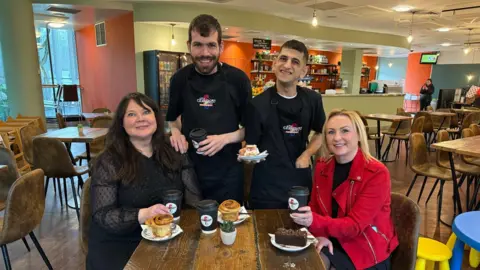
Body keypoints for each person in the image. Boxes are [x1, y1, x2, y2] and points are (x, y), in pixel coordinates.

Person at [87, 93, 202, 270]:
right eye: (131, 114)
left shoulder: (173, 149)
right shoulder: (109, 160)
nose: (140, 119)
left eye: (146, 112)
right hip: (120, 243)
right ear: (121, 123)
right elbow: (103, 215)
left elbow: (193, 197)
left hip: (166, 235)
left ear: (156, 117)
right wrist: (143, 214)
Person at [291, 110, 398, 270]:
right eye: (331, 132)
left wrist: (314, 221)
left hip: (365, 251)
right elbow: (315, 207)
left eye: (345, 131)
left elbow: (355, 226)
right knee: (300, 261)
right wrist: (320, 235)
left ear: (359, 135)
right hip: (332, 240)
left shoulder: (377, 173)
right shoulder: (322, 166)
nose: (337, 138)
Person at [167, 14, 251, 203]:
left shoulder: (238, 80)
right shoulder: (179, 79)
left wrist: (224, 139)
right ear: (188, 45)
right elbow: (172, 119)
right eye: (198, 45)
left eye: (211, 45)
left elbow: (250, 129)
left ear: (221, 46)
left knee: (229, 226)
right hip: (190, 170)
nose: (205, 53)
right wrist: (175, 131)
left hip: (229, 172)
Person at [243, 40, 326, 209]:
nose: (287, 65)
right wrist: (247, 153)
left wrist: (306, 154)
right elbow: (250, 145)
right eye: (283, 59)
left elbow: (321, 132)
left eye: (295, 62)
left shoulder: (313, 100)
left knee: (300, 231)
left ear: (304, 71)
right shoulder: (257, 104)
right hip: (267, 186)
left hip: (299, 180)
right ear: (274, 64)